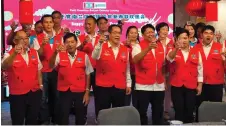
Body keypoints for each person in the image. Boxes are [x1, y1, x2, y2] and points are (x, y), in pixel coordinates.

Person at [49, 33, 93, 125]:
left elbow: (88, 73)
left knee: (80, 116)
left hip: (80, 90)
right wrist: (55, 53)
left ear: (76, 43)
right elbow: (51, 66)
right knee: (63, 116)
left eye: (72, 42)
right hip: (64, 90)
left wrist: (87, 92)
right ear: (64, 44)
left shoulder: (84, 56)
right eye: (67, 42)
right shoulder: (59, 55)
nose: (70, 44)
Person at [1, 30, 43, 125]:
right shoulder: (9, 53)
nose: (25, 41)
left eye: (26, 38)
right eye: (21, 39)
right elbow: (4, 66)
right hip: (17, 94)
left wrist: (40, 85)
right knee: (17, 120)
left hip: (34, 92)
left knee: (32, 119)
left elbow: (39, 69)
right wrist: (15, 54)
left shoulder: (34, 53)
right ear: (15, 41)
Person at [92, 24, 132, 116]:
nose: (117, 35)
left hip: (119, 86)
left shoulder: (125, 49)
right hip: (103, 86)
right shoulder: (101, 46)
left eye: (119, 33)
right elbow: (94, 56)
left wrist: (128, 84)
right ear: (109, 34)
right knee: (103, 112)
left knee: (118, 113)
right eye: (114, 33)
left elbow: (127, 68)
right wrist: (99, 43)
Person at [167, 27, 203, 123]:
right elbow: (169, 58)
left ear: (189, 38)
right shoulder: (173, 51)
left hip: (191, 86)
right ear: (177, 39)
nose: (184, 40)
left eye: (185, 38)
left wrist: (199, 85)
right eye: (181, 38)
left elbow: (200, 69)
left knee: (190, 110)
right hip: (177, 85)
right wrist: (176, 49)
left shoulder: (196, 51)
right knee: (179, 110)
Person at [132, 24, 165, 125]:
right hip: (143, 85)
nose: (151, 34)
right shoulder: (138, 46)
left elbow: (164, 64)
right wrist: (148, 49)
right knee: (142, 112)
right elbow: (135, 60)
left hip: (159, 85)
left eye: (152, 31)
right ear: (142, 34)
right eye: (148, 32)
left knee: (158, 112)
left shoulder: (161, 45)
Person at [32, 14, 63, 124]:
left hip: (56, 71)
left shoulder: (60, 37)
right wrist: (43, 45)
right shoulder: (37, 38)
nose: (49, 24)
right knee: (43, 98)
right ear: (42, 24)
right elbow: (38, 56)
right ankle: (44, 120)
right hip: (43, 72)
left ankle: (55, 119)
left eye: (50, 22)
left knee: (56, 97)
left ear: (53, 23)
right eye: (46, 22)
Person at [194, 25, 225, 121]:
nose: (209, 35)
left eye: (211, 33)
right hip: (200, 84)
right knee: (200, 108)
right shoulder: (196, 48)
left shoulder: (220, 48)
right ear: (201, 35)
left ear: (213, 35)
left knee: (216, 109)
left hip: (216, 84)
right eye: (206, 33)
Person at [77, 15, 100, 119]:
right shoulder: (80, 37)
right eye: (85, 23)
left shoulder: (101, 38)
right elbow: (75, 52)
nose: (87, 26)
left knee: (99, 96)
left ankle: (98, 117)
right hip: (84, 70)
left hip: (98, 70)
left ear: (95, 25)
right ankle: (83, 118)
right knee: (83, 94)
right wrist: (83, 44)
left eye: (89, 24)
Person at [155, 22, 174, 121]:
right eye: (163, 29)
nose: (165, 31)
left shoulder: (172, 41)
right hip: (157, 70)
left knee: (167, 92)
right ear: (158, 31)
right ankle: (158, 110)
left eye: (167, 29)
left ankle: (166, 111)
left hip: (169, 70)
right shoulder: (154, 41)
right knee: (159, 91)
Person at [123, 26, 139, 107]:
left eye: (135, 33)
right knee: (126, 97)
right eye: (131, 33)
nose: (134, 34)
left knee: (137, 98)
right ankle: (125, 116)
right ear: (127, 34)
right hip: (126, 74)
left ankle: (137, 116)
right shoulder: (123, 44)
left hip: (138, 74)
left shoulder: (140, 45)